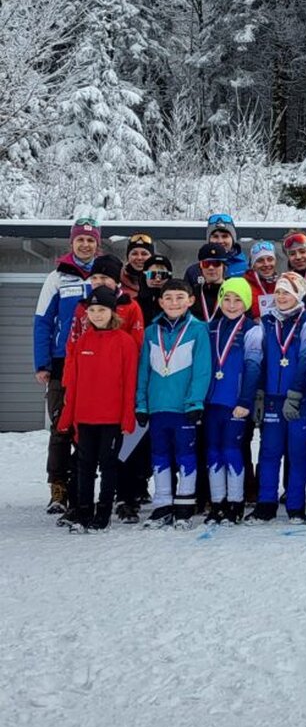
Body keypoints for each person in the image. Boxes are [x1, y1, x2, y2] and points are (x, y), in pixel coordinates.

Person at [33, 217, 101, 513]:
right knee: (61, 426)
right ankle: (58, 488)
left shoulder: (104, 274)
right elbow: (42, 323)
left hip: (98, 362)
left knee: (91, 426)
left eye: (90, 240)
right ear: (71, 243)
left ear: (98, 245)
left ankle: (84, 485)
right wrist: (42, 363)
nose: (85, 244)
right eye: (80, 240)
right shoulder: (57, 277)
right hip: (63, 363)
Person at [57, 287, 139, 529]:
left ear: (112, 311)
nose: (96, 314)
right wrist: (67, 417)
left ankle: (103, 513)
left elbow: (129, 382)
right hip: (85, 417)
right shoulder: (83, 341)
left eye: (101, 309)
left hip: (111, 418)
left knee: (108, 465)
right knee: (84, 466)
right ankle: (83, 510)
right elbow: (72, 383)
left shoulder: (125, 342)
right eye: (91, 310)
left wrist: (127, 418)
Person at [135, 277, 213, 527]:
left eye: (180, 297)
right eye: (168, 298)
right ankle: (162, 504)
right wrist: (141, 403)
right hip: (158, 406)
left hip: (184, 408)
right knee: (159, 455)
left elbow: (202, 370)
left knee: (186, 455)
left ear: (190, 300)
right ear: (160, 302)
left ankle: (185, 505)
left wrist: (195, 402)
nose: (174, 302)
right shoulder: (151, 331)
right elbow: (143, 371)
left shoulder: (198, 329)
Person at [249, 271, 306, 522]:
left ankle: (295, 506)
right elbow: (259, 358)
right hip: (271, 397)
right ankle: (266, 504)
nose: (281, 297)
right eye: (278, 292)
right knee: (268, 452)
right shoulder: (266, 322)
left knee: (298, 453)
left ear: (298, 295)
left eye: (287, 292)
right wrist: (258, 393)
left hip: (300, 399)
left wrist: (296, 393)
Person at [203, 278, 263, 524]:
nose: (231, 304)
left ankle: (235, 503)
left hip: (236, 402)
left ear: (246, 302)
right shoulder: (211, 327)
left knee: (231, 450)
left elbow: (253, 368)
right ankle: (217, 503)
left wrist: (246, 400)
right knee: (213, 451)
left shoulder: (252, 330)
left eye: (238, 299)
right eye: (226, 298)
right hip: (211, 401)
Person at [185, 213, 248, 284]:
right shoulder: (194, 271)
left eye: (225, 236)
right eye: (215, 236)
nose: (220, 241)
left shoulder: (247, 269)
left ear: (233, 239)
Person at [192, 243, 229, 322]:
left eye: (216, 263)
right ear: (200, 266)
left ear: (224, 266)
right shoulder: (193, 293)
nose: (211, 268)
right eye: (206, 264)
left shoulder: (234, 290)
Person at [245, 241, 279, 318]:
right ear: (252, 265)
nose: (266, 264)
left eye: (270, 259)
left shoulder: (281, 284)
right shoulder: (244, 286)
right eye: (260, 261)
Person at [136, 255, 173, 326]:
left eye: (162, 275)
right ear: (144, 276)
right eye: (152, 274)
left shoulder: (175, 303)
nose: (157, 279)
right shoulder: (135, 303)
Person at [120, 233, 156, 299]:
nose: (139, 258)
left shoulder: (160, 282)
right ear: (128, 257)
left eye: (144, 254)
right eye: (134, 254)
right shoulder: (117, 281)